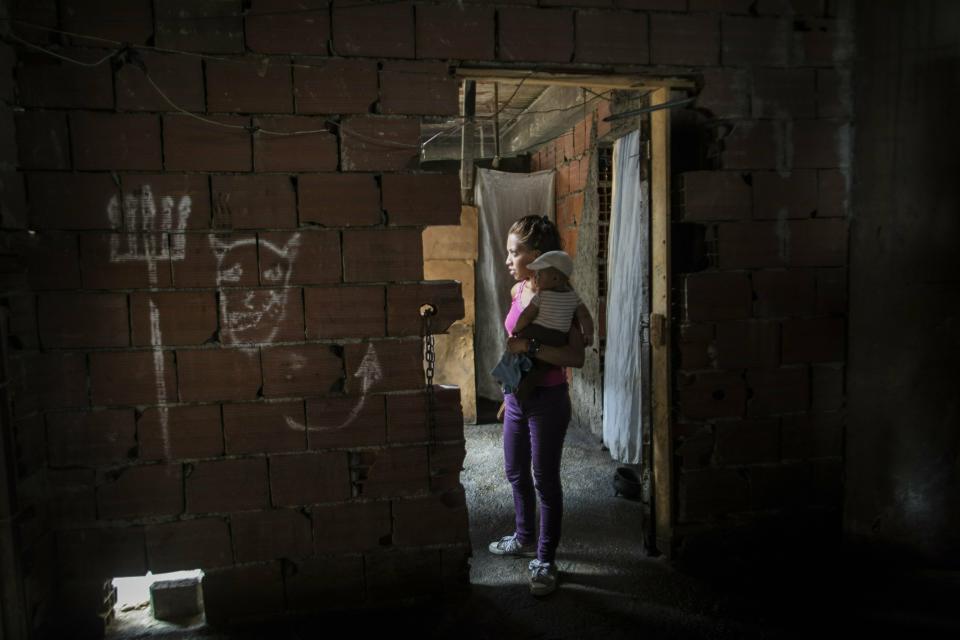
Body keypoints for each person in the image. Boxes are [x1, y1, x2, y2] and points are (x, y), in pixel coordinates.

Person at [487, 215, 587, 597]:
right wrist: (509, 388)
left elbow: (576, 357)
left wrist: (530, 347)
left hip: (548, 399)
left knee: (545, 480)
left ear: (540, 257)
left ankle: (545, 559)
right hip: (517, 397)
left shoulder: (561, 298)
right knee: (515, 471)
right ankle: (525, 537)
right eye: (509, 252)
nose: (508, 259)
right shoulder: (517, 293)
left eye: (515, 252)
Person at [491, 250, 594, 404]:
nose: (536, 277)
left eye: (540, 274)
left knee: (516, 349)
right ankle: (522, 389)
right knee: (539, 368)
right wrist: (589, 333)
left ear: (555, 278)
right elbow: (585, 316)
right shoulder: (574, 297)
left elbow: (528, 315)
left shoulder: (542, 295)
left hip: (538, 333)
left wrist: (517, 330)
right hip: (557, 338)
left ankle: (505, 377)